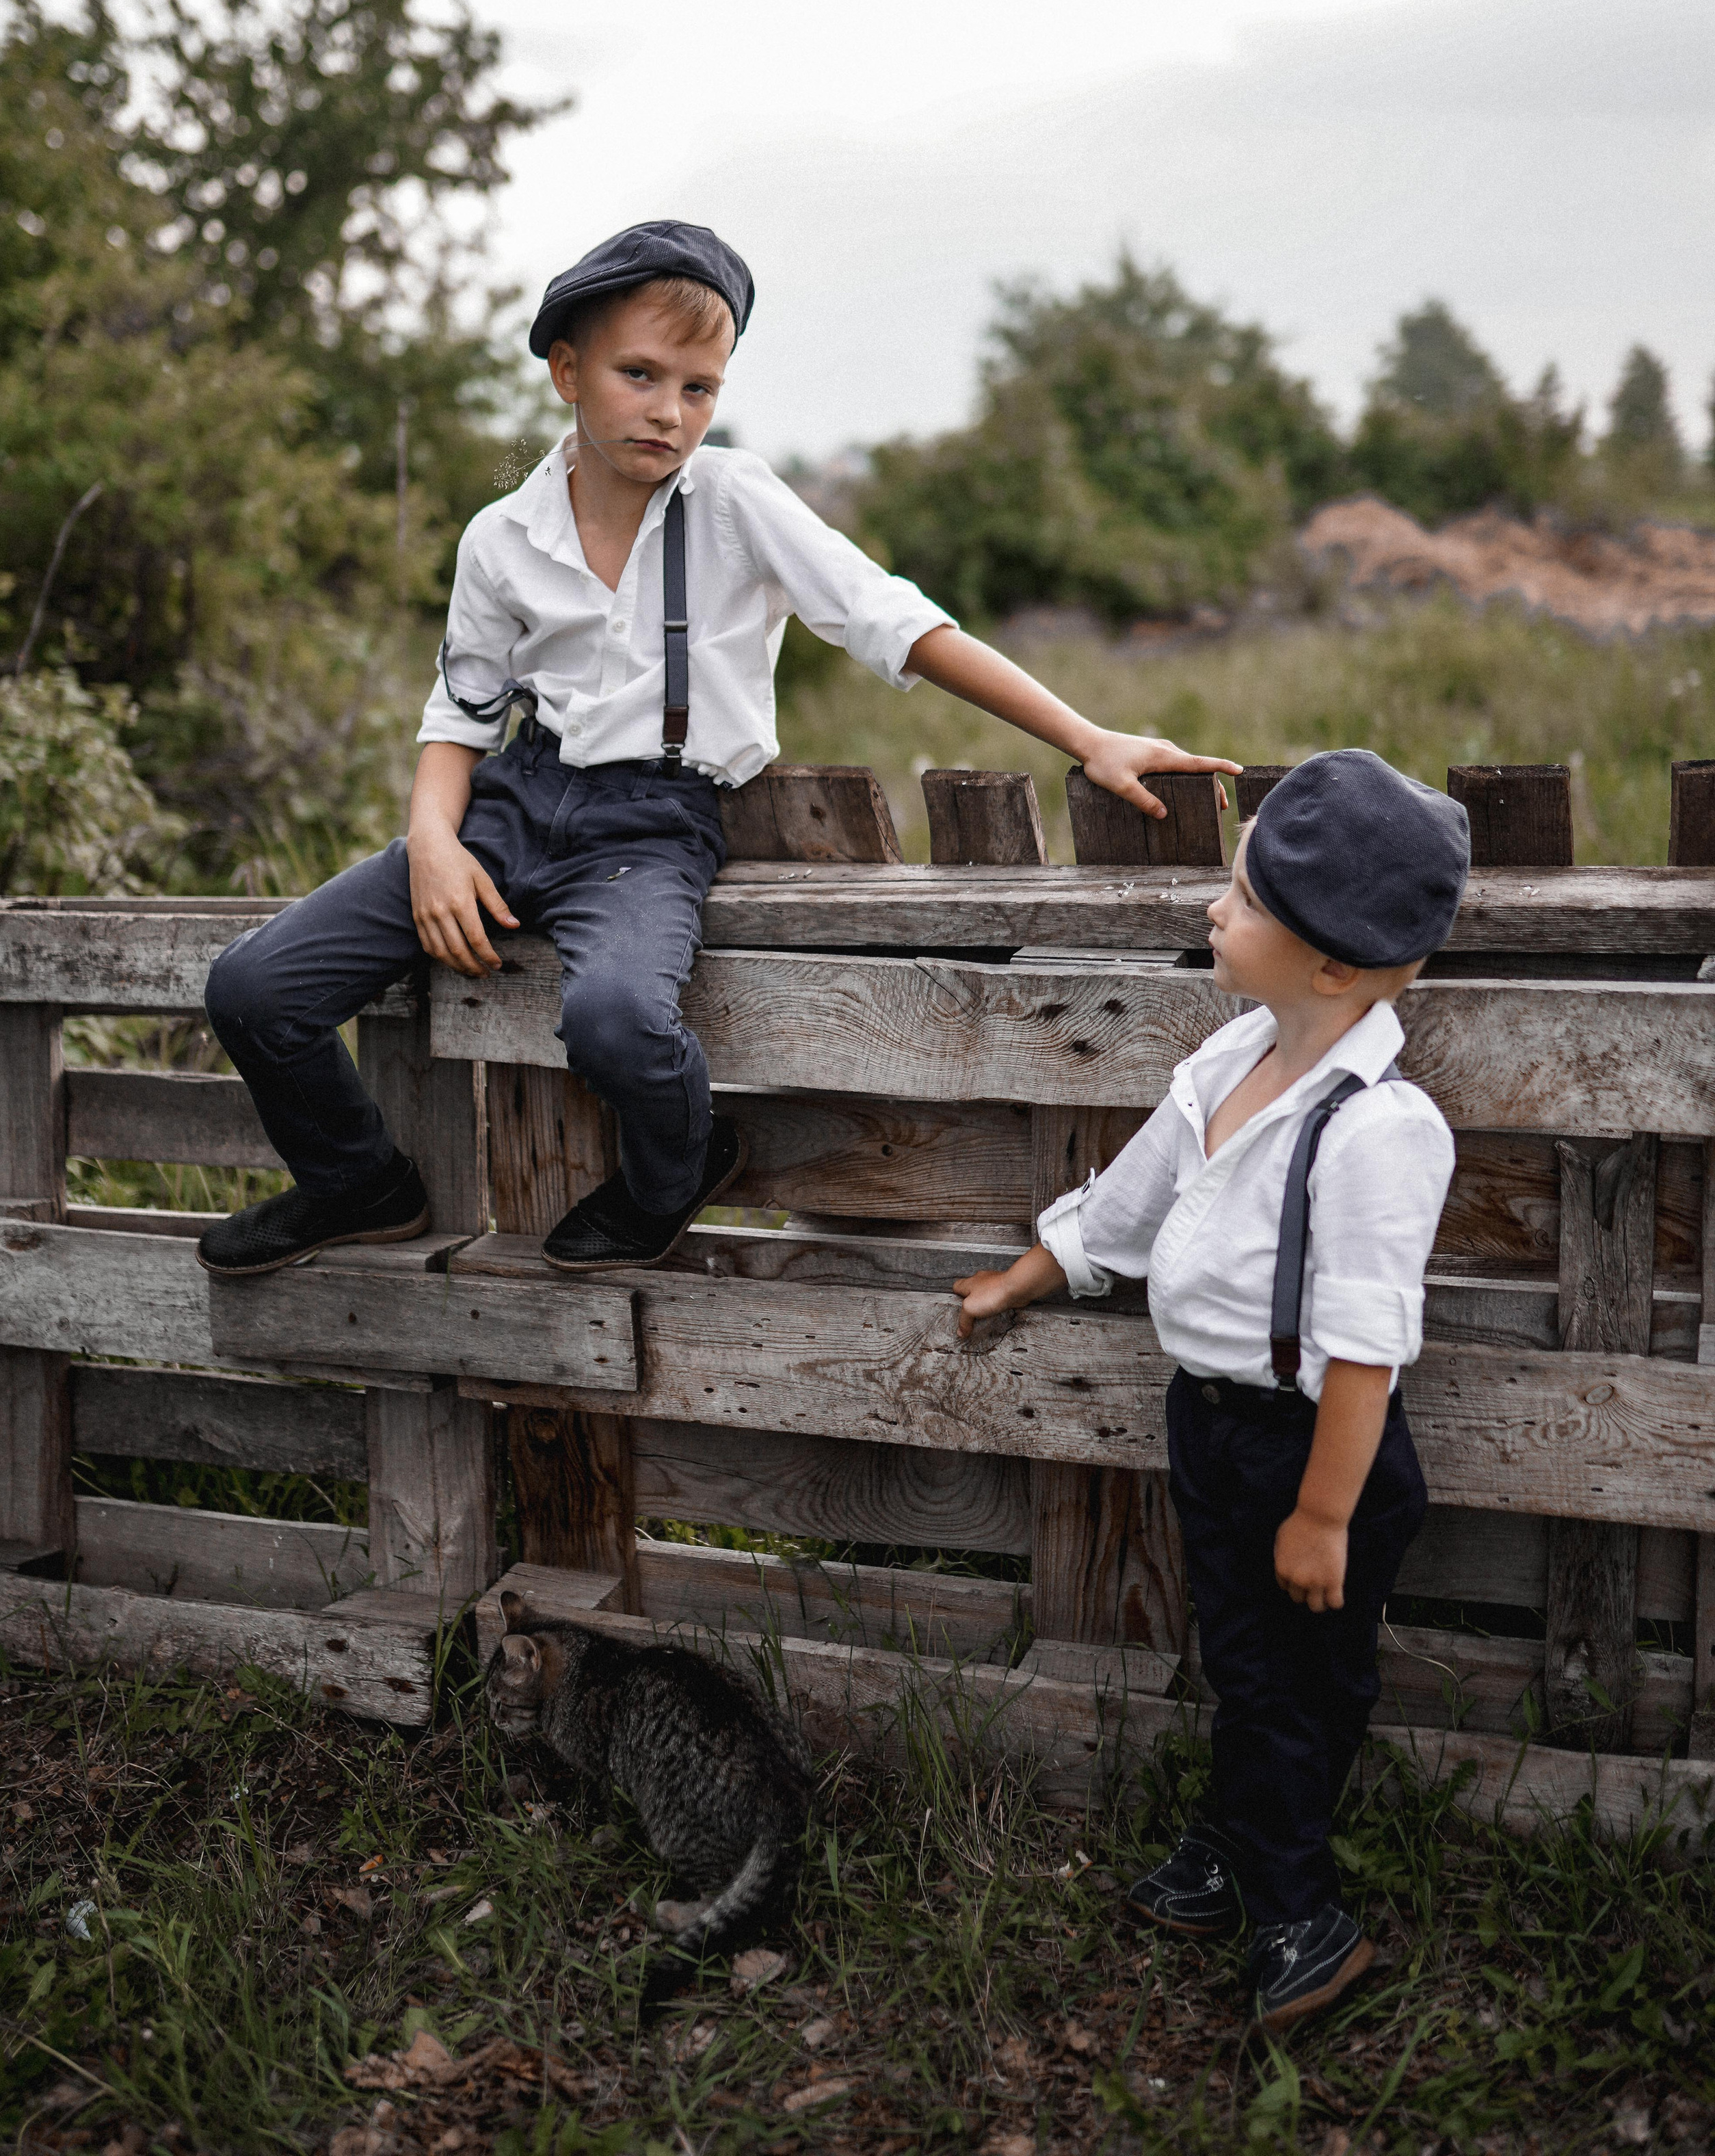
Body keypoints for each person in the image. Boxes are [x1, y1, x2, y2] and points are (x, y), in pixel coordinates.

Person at [198, 218, 1237, 1281]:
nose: (669, 411)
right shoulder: (500, 538)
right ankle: (357, 1184)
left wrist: (1087, 735)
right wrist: (430, 839)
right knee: (253, 988)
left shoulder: (734, 502)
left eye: (700, 387)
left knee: (613, 1019)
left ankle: (674, 1173)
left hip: (652, 825)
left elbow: (895, 623)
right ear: (567, 370)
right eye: (639, 374)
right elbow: (461, 711)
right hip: (513, 803)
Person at [952, 749, 1470, 2034]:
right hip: (1215, 1428)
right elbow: (1129, 1201)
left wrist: (1326, 1515)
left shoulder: (1381, 1129)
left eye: (1237, 902)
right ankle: (1233, 1847)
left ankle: (1301, 1911)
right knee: (1241, 1659)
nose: (1209, 911)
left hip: (1320, 1452)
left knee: (1300, 1682)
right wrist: (1031, 1274)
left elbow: (1365, 1344)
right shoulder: (1232, 1056)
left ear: (1332, 966)